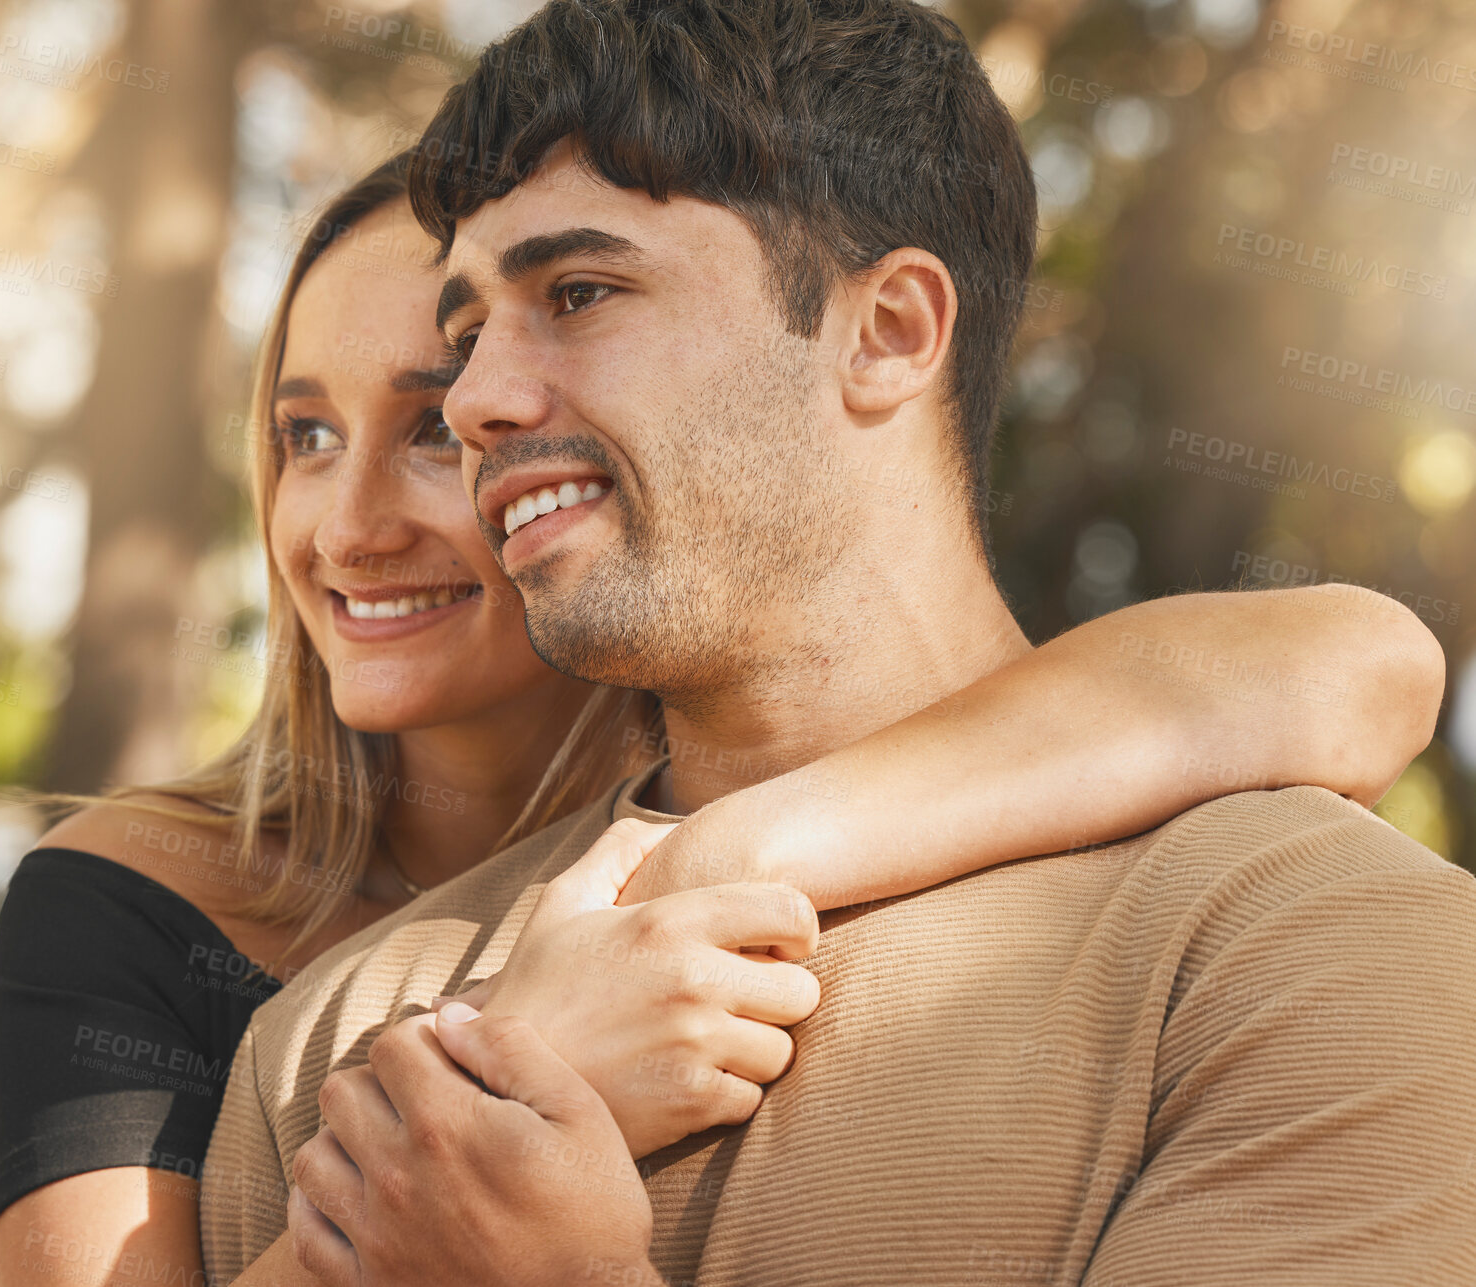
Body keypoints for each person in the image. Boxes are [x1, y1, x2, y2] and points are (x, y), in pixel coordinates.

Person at [197, 3, 1475, 1285]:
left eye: (579, 293)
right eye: (468, 334)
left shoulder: (1309, 947)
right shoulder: (328, 1041)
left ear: (893, 331)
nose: (472, 402)